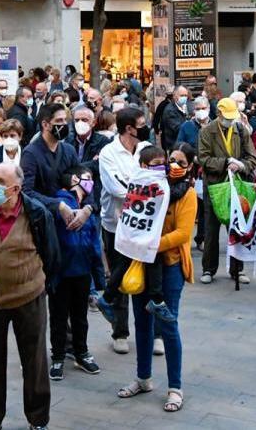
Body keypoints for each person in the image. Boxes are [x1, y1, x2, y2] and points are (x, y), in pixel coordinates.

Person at [0, 162, 59, 430]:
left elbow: (52, 256)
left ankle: (38, 420)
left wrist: (42, 288)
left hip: (28, 298)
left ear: (16, 188)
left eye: (0, 180)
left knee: (34, 362)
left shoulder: (36, 214)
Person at [115, 142, 196, 413]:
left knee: (168, 325)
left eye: (181, 162)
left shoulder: (188, 195)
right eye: (171, 159)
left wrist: (148, 243)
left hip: (170, 266)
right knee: (141, 322)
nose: (173, 165)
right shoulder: (151, 187)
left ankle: (175, 387)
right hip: (143, 264)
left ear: (190, 167)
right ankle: (143, 378)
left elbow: (183, 235)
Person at [98, 107, 152, 354]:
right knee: (119, 276)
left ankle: (153, 332)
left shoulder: (146, 148)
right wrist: (144, 190)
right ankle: (120, 331)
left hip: (144, 223)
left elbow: (156, 177)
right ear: (129, 128)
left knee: (149, 277)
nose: (145, 126)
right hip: (116, 223)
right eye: (141, 123)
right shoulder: (109, 153)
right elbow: (115, 188)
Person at [48, 165, 104, 381]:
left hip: (82, 271)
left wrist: (97, 276)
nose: (90, 182)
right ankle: (58, 356)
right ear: (73, 179)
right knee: (59, 317)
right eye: (86, 178)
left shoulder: (86, 207)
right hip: (62, 272)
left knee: (80, 317)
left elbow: (94, 244)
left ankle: (81, 353)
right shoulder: (60, 203)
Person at [197, 97, 256, 285]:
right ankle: (208, 269)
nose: (230, 120)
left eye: (233, 117)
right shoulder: (207, 131)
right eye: (227, 117)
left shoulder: (241, 130)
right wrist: (225, 163)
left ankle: (237, 270)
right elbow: (204, 159)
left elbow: (252, 158)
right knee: (211, 229)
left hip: (236, 186)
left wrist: (241, 165)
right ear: (219, 114)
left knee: (237, 228)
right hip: (215, 186)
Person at [21, 103, 81, 224]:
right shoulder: (30, 153)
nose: (64, 124)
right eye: (59, 120)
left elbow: (82, 176)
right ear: (45, 124)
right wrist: (58, 205)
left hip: (70, 217)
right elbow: (26, 191)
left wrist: (87, 208)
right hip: (44, 219)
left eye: (65, 120)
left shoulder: (69, 150)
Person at [159, 86, 189, 151]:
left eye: (186, 95)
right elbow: (178, 129)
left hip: (183, 145)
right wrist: (191, 124)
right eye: (182, 95)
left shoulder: (184, 107)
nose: (184, 98)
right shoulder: (170, 110)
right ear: (174, 96)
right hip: (174, 147)